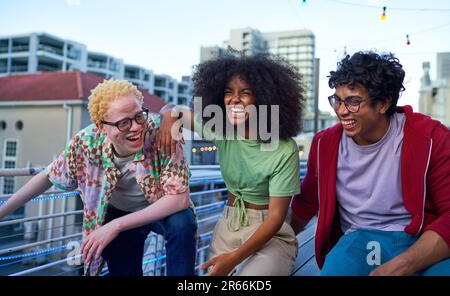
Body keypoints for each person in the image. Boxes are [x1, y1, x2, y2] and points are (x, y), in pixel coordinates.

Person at [0, 79, 197, 276]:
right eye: (123, 123)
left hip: (158, 208)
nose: (136, 127)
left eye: (139, 116)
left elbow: (179, 199)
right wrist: (2, 212)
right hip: (117, 211)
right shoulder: (86, 142)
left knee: (183, 223)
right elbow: (48, 176)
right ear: (101, 127)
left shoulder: (161, 132)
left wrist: (115, 226)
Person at [290, 51, 450, 276]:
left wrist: (404, 264)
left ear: (383, 103)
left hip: (420, 237)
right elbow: (306, 202)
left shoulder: (432, 138)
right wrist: (277, 242)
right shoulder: (324, 144)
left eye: (353, 102)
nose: (342, 111)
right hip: (358, 239)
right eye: (337, 100)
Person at [159, 53, 305, 276]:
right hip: (228, 226)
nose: (234, 99)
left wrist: (233, 259)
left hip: (268, 234)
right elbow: (173, 109)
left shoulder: (284, 149)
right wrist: (168, 117)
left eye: (245, 93)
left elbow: (276, 218)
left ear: (265, 98)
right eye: (229, 92)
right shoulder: (222, 130)